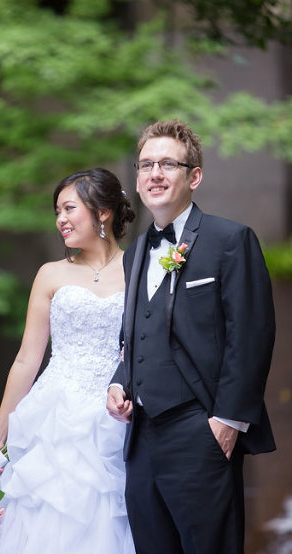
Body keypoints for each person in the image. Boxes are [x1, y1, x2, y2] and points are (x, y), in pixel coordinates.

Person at [107, 119, 276, 554]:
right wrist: (118, 382)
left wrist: (227, 422)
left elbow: (251, 334)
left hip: (200, 431)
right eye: (146, 165)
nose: (155, 174)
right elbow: (138, 335)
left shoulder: (231, 240)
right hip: (140, 439)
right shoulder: (136, 254)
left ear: (194, 176)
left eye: (167, 163)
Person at [0, 168, 136, 553]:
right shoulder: (50, 274)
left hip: (115, 418)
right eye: (57, 211)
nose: (60, 219)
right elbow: (27, 359)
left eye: (69, 208)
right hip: (53, 414)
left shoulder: (138, 270)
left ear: (103, 211)